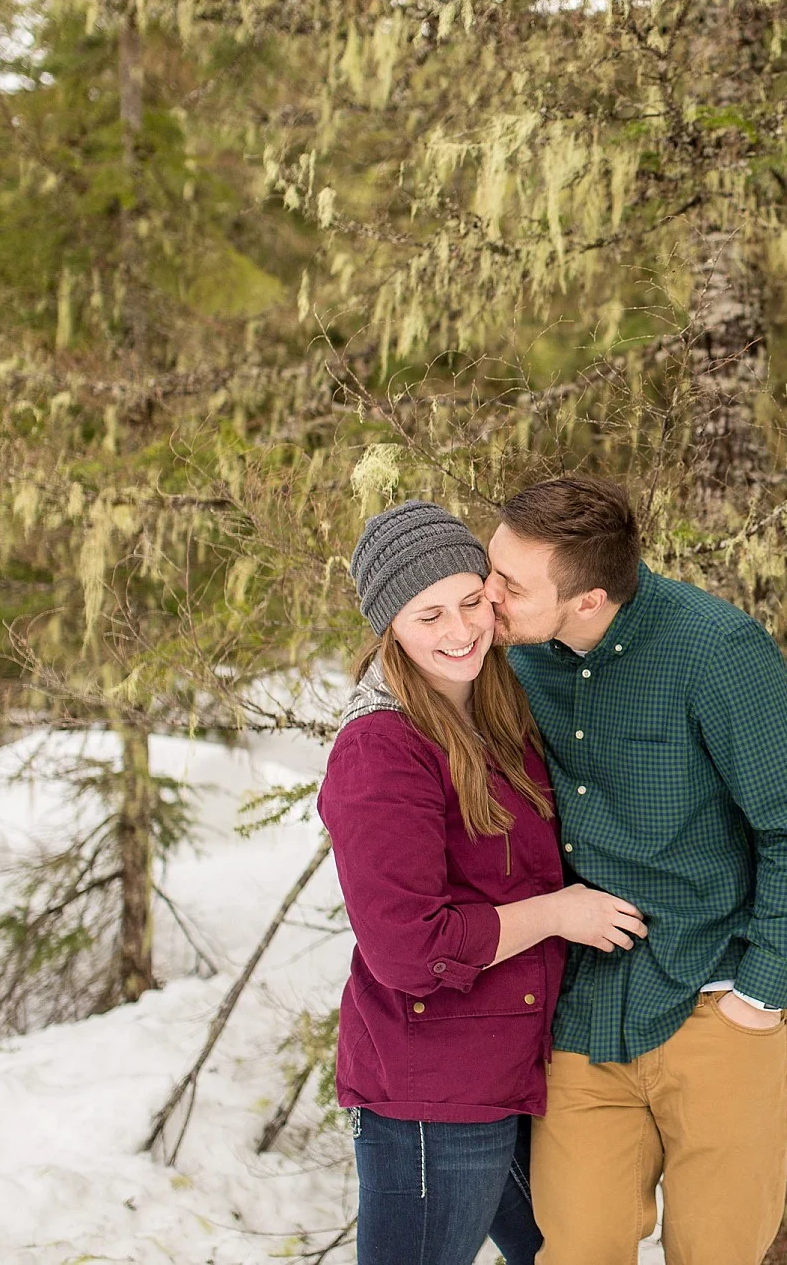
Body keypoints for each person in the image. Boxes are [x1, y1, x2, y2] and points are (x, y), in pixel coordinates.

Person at [481, 476, 787, 1265]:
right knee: (575, 1252)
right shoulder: (511, 659)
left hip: (715, 1002)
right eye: (491, 565)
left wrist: (759, 992)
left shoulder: (717, 653)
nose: (488, 594)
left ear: (587, 599)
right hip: (584, 1011)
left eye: (511, 584)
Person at [319, 500, 650, 1265]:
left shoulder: (496, 708)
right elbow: (409, 948)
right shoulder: (382, 748)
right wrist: (557, 914)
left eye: (471, 601)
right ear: (389, 627)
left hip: (511, 1075)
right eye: (427, 615)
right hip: (433, 1099)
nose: (460, 630)